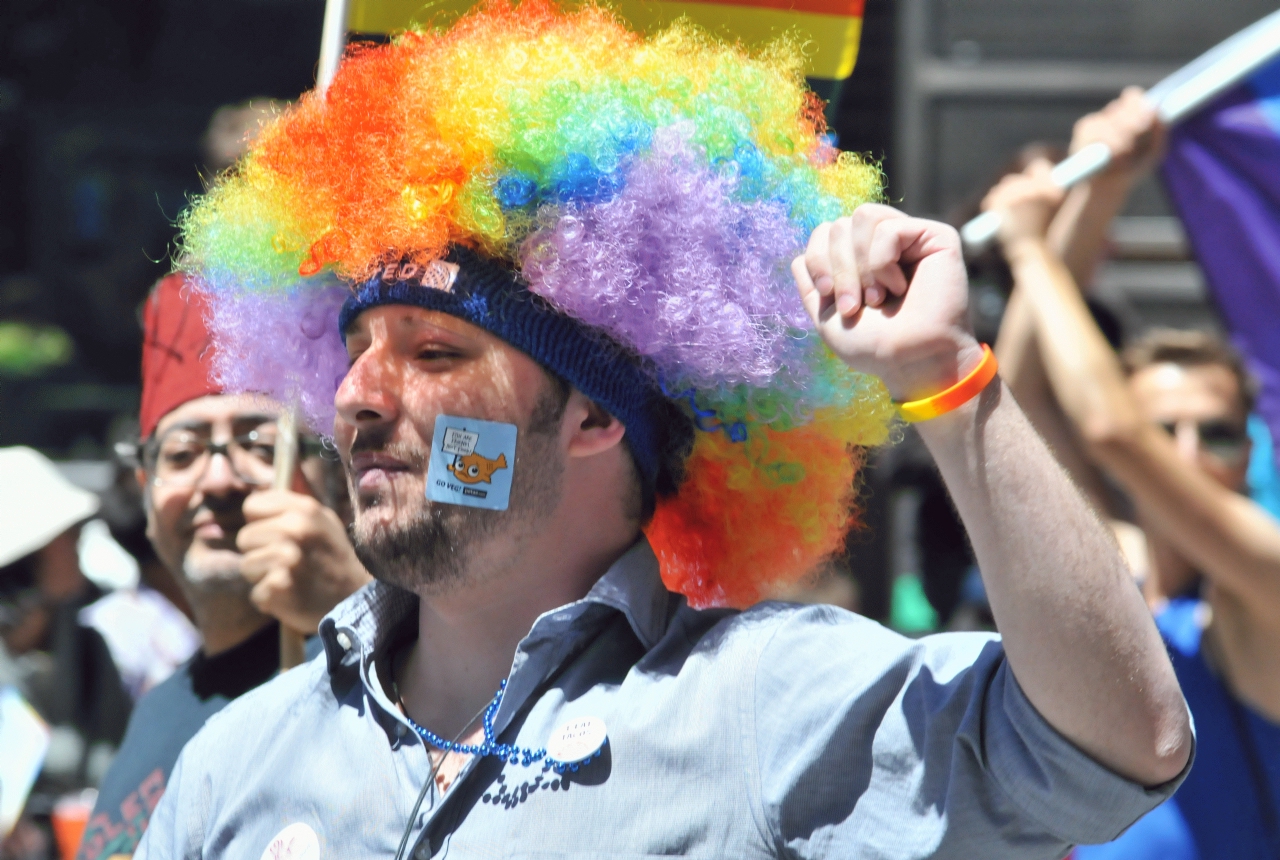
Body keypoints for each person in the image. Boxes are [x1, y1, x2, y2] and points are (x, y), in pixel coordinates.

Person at [138, 6, 1191, 858]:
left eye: (436, 353)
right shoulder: (239, 758)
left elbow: (1110, 750)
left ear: (594, 413)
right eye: (357, 346)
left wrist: (940, 376)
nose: (358, 396)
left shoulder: (758, 704)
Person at [984, 91, 1280, 859]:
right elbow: (1021, 399)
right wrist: (1103, 188)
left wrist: (1029, 249)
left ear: (1250, 450)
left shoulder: (1268, 578)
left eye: (1214, 432)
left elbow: (1112, 430)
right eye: (1165, 429)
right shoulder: (1124, 564)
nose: (1183, 453)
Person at [75, 274, 371, 860]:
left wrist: (355, 609)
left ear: (336, 480)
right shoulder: (157, 710)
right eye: (182, 454)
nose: (217, 479)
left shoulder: (396, 683)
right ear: (145, 486)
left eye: (259, 446)